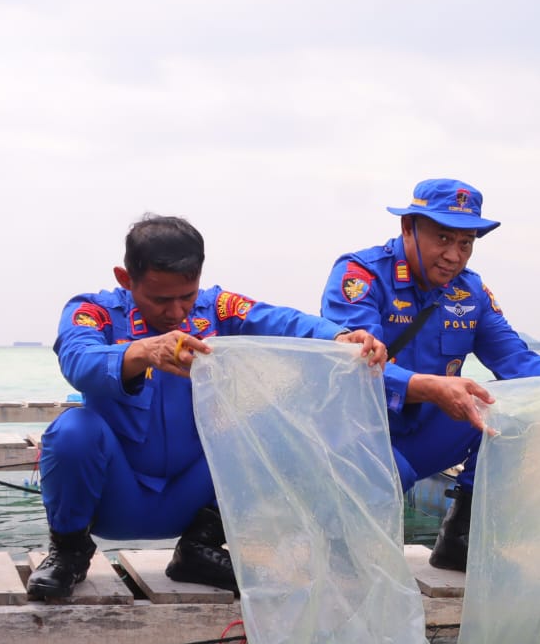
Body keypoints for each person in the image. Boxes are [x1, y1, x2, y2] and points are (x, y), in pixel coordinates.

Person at [27, 215, 386, 601]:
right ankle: (69, 551)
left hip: (191, 492)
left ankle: (199, 548)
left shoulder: (219, 308)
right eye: (161, 299)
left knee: (276, 420)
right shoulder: (93, 311)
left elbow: (284, 321)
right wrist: (144, 351)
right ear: (125, 278)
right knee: (71, 431)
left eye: (187, 296)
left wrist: (339, 336)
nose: (177, 312)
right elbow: (79, 360)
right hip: (118, 497)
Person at [321, 178, 540, 572]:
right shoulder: (362, 276)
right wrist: (431, 387)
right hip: (360, 434)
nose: (453, 255)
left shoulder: (470, 292)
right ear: (407, 228)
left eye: (465, 243)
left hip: (424, 433)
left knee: (514, 404)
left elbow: (515, 359)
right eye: (442, 238)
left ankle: (460, 534)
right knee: (346, 563)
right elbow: (357, 365)